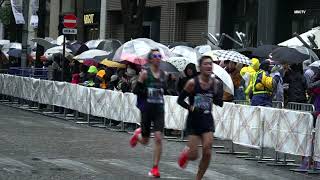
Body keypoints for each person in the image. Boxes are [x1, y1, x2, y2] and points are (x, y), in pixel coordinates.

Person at [177, 56, 223, 180]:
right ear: (200, 67)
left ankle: (198, 178)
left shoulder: (215, 83)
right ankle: (187, 153)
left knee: (208, 151)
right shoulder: (192, 83)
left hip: (207, 120)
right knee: (193, 156)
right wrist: (190, 107)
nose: (209, 66)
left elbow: (219, 102)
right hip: (194, 121)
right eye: (206, 64)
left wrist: (219, 92)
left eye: (210, 64)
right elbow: (180, 100)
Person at [130, 49, 167, 178]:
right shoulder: (145, 73)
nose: (158, 58)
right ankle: (137, 135)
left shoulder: (163, 74)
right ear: (150, 59)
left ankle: (155, 168)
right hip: (146, 110)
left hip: (159, 110)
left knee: (158, 138)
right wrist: (141, 81)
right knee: (145, 141)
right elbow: (135, 91)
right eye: (155, 56)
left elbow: (165, 90)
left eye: (159, 56)